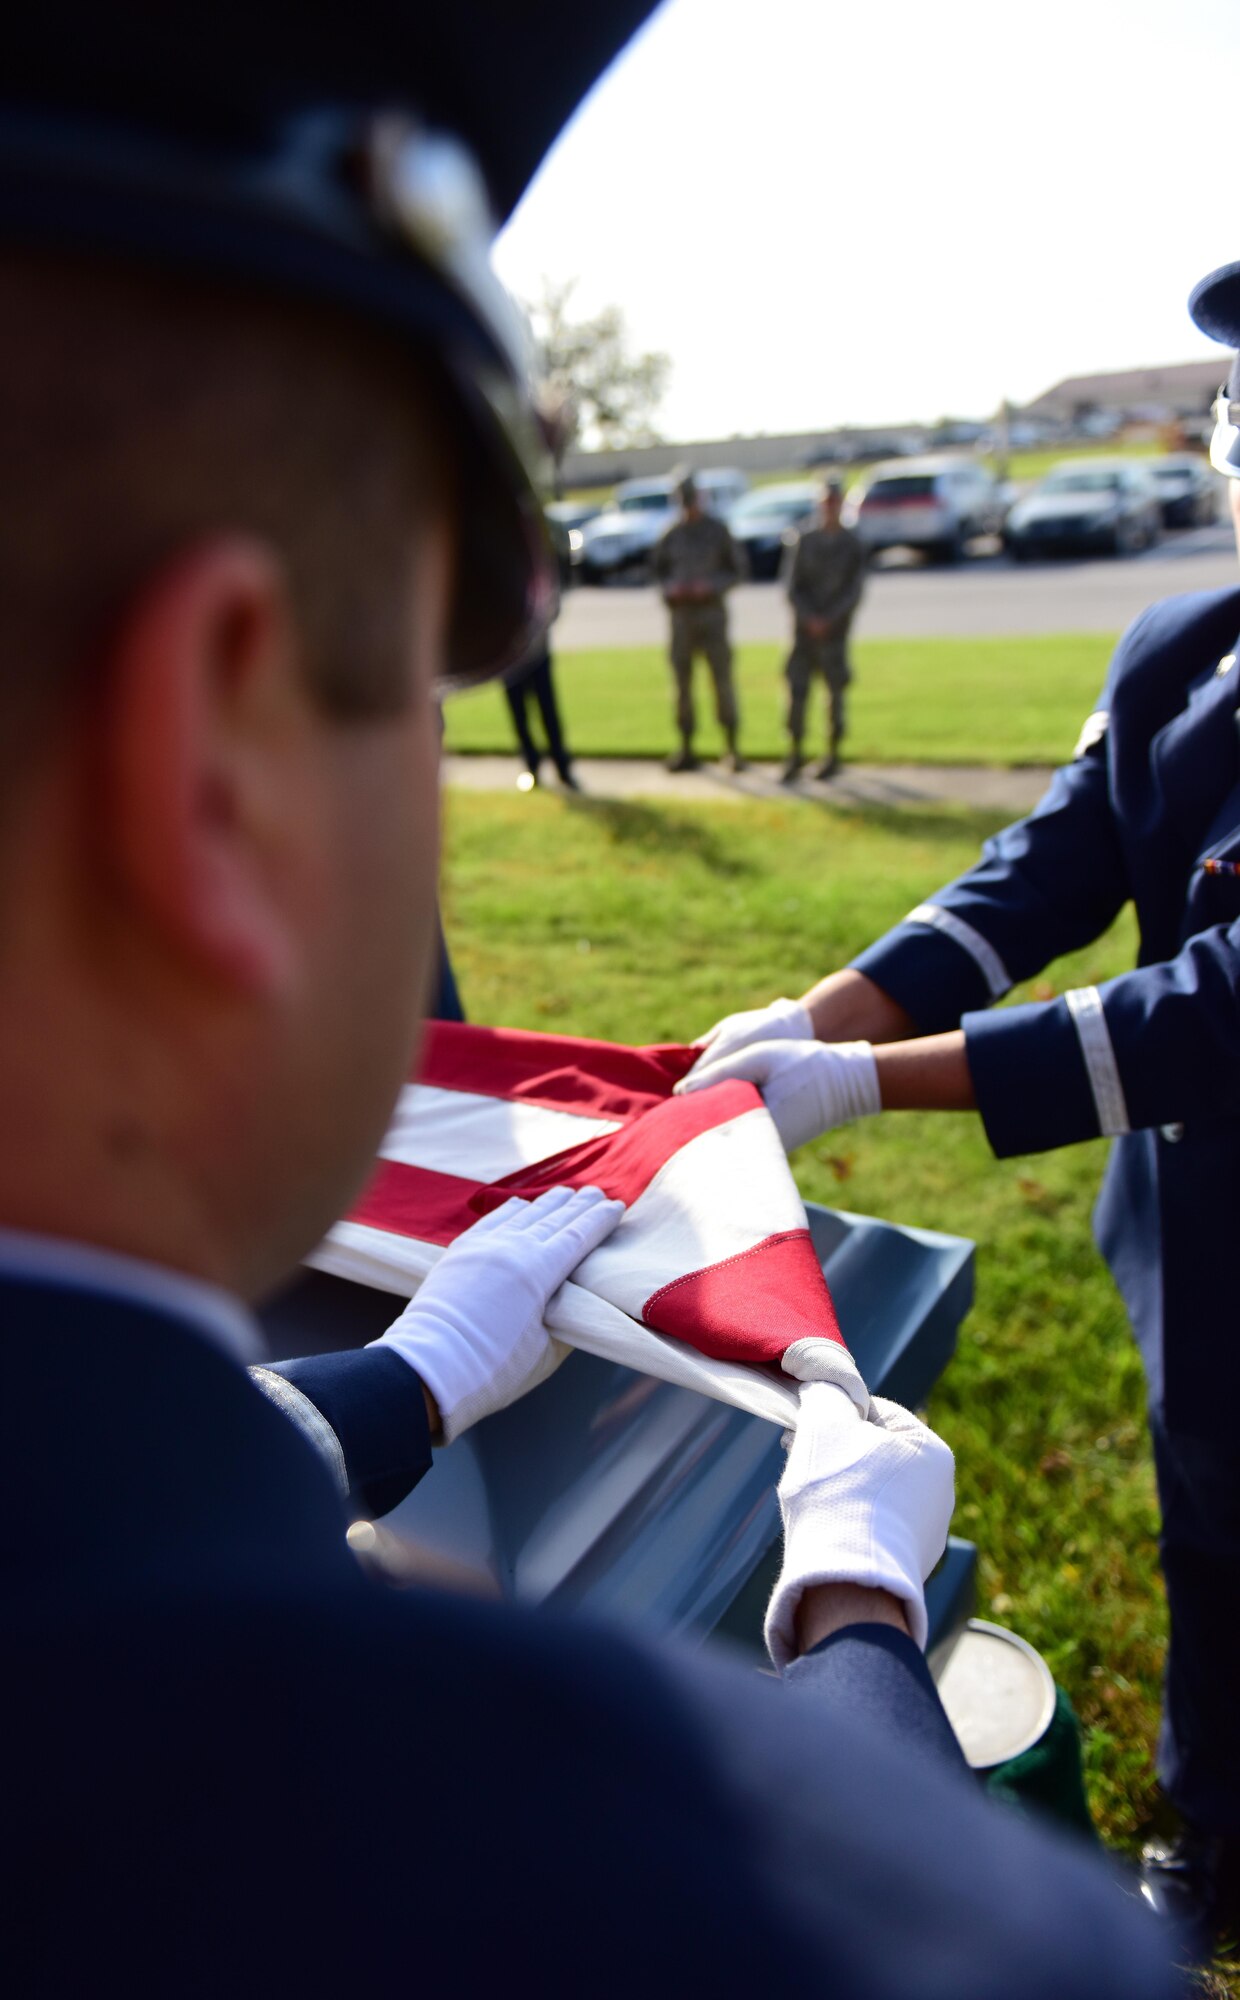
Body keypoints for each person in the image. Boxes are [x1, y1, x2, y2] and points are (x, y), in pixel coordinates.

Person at [1, 12, 1183, 1996]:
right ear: (217, 756)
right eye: (434, 674)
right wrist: (847, 1620)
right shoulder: (791, 1933)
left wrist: (401, 1384)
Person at [680, 255, 1240, 1954]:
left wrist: (863, 1082)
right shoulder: (1182, 647)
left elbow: (1217, 1011)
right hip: (1204, 1231)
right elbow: (1049, 872)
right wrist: (824, 1009)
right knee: (1211, 1517)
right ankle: (1220, 1822)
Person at [652, 472, 746, 772]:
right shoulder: (671, 533)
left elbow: (738, 570)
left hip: (712, 617)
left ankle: (731, 748)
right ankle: (686, 747)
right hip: (682, 620)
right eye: (683, 500)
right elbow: (657, 572)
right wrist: (671, 589)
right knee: (682, 685)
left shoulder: (717, 531)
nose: (688, 506)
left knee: (722, 682)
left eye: (692, 499)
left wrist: (711, 586)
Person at [782, 476, 867, 781]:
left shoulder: (851, 543)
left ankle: (832, 755)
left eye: (834, 501)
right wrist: (810, 618)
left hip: (834, 634)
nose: (830, 507)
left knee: (835, 696)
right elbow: (792, 587)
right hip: (804, 634)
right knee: (796, 693)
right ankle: (795, 754)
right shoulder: (804, 540)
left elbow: (854, 590)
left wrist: (829, 618)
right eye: (825, 501)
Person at [503, 641, 580, 791]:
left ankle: (562, 768)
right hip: (510, 660)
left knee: (549, 713)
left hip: (537, 654)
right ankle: (532, 767)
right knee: (520, 717)